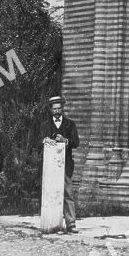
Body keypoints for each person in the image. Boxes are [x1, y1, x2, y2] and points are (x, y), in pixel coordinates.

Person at [42, 96, 79, 233]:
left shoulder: (70, 124)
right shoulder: (45, 124)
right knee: (51, 192)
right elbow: (40, 139)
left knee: (68, 193)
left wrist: (65, 140)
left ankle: (71, 224)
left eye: (59, 108)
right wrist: (45, 140)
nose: (57, 111)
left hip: (65, 163)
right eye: (54, 109)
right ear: (51, 109)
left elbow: (76, 142)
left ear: (62, 109)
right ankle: (52, 222)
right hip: (50, 164)